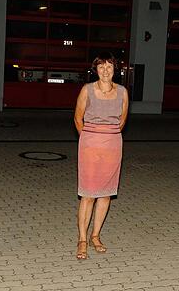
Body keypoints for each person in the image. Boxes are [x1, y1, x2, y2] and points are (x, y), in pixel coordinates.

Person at [73, 52, 129, 260]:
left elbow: (122, 121)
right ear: (95, 70)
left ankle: (96, 236)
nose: (105, 71)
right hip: (90, 146)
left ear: (115, 70)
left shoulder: (122, 92)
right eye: (101, 67)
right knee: (87, 194)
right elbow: (78, 119)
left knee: (105, 194)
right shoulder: (87, 90)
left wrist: (108, 135)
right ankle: (82, 240)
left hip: (113, 146)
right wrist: (90, 137)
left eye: (109, 67)